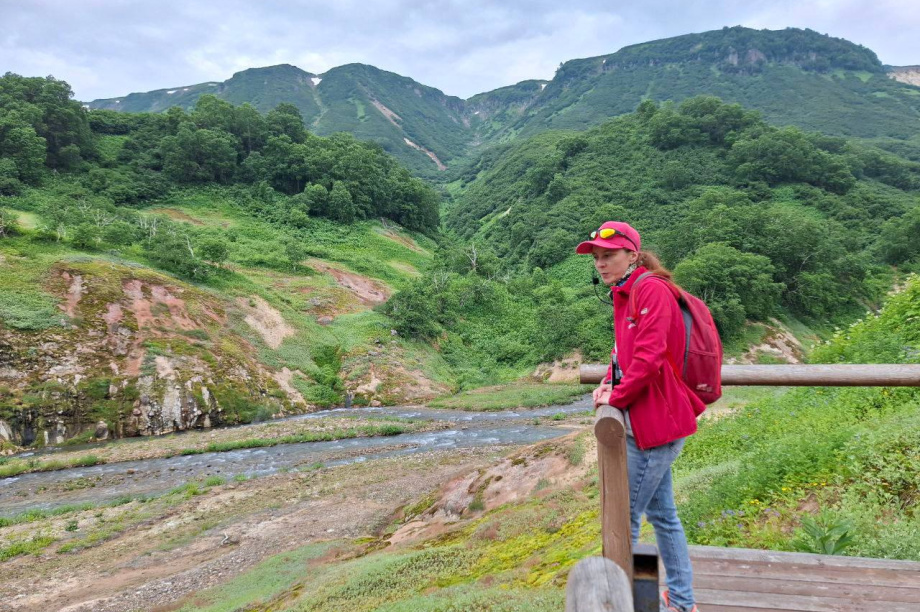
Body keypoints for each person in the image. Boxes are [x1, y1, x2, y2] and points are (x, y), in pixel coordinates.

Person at [576, 221, 704, 612]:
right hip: (650, 420)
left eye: (609, 256)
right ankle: (682, 601)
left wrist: (616, 396)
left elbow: (649, 359)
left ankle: (625, 603)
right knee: (663, 515)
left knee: (623, 519)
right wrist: (607, 382)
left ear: (632, 255)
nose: (600, 263)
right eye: (597, 258)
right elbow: (624, 353)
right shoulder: (626, 292)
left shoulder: (650, 289)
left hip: (655, 424)